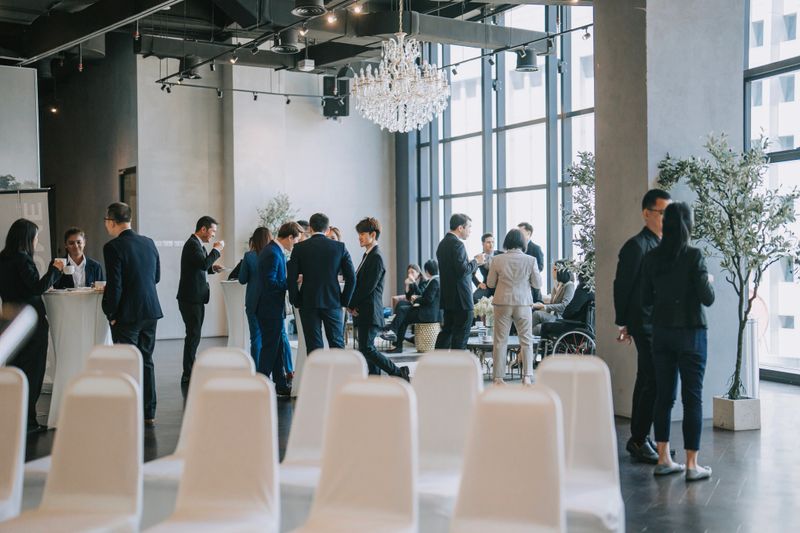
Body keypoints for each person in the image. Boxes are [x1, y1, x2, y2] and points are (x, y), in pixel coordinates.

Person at [642, 202, 715, 481]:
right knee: (692, 398)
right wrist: (706, 280)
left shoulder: (651, 258)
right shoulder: (694, 256)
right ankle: (692, 465)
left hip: (661, 333)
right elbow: (707, 298)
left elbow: (646, 300)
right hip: (692, 333)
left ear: (666, 224)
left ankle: (663, 459)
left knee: (664, 396)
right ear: (688, 225)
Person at [613, 188, 672, 463]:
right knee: (653, 380)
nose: (666, 218)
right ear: (646, 213)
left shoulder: (664, 244)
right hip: (644, 322)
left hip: (660, 322)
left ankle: (640, 438)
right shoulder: (636, 246)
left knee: (649, 380)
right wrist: (624, 322)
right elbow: (622, 287)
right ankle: (638, 439)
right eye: (662, 213)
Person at [0, 219, 64, 432]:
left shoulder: (2, 259)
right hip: (31, 323)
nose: (37, 241)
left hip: (10, 322)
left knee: (15, 371)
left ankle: (13, 417)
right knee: (32, 372)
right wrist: (54, 270)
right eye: (36, 237)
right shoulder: (22, 260)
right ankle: (28, 421)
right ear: (28, 238)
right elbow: (37, 288)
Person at [102, 202, 163, 425]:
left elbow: (115, 285)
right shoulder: (148, 243)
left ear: (111, 221)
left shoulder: (112, 247)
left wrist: (111, 312)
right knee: (146, 360)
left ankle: (127, 410)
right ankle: (149, 412)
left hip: (127, 313)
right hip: (151, 310)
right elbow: (156, 277)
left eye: (106, 221)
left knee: (126, 362)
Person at [347, 217, 409, 380]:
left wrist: (351, 303)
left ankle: (398, 372)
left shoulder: (376, 257)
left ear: (373, 234)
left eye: (362, 234)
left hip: (370, 310)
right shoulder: (368, 255)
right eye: (358, 234)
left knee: (367, 348)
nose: (359, 237)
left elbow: (368, 287)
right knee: (366, 349)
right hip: (365, 310)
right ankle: (374, 378)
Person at [287, 212, 356, 353]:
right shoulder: (339, 247)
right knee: (336, 344)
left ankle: (317, 375)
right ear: (327, 229)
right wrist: (344, 301)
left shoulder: (300, 248)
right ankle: (338, 375)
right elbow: (352, 278)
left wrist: (296, 300)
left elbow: (291, 278)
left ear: (310, 228)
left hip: (308, 302)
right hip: (333, 301)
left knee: (313, 347)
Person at [486, 229, 541, 386]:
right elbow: (537, 284)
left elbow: (490, 283)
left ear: (507, 242)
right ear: (522, 243)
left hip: (502, 302)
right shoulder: (531, 260)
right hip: (523, 303)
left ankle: (498, 378)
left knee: (500, 341)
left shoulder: (497, 260)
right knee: (526, 341)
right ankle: (527, 376)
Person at [255, 222, 303, 394]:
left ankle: (281, 385)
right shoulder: (273, 254)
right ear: (290, 237)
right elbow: (270, 283)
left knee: (276, 348)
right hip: (269, 309)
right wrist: (292, 282)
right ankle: (260, 384)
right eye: (296, 240)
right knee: (270, 348)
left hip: (271, 308)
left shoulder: (273, 251)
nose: (295, 245)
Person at [176, 216, 224, 384]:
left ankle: (191, 369)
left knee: (194, 334)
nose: (213, 236)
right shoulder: (192, 244)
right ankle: (188, 373)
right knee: (193, 334)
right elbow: (202, 264)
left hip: (195, 297)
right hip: (190, 298)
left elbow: (200, 267)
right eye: (212, 231)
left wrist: (212, 269)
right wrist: (217, 250)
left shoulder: (197, 245)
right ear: (203, 229)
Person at [435, 213, 484, 350]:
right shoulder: (458, 245)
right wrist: (476, 261)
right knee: (460, 340)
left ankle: (436, 366)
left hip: (448, 299)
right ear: (460, 228)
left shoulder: (442, 244)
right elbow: (462, 271)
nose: (470, 231)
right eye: (469, 227)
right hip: (461, 300)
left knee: (446, 334)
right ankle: (458, 369)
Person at [237, 227, 272, 367]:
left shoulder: (249, 256)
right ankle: (270, 369)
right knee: (271, 338)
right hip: (270, 302)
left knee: (255, 338)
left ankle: (257, 370)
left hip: (253, 302)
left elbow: (242, 279)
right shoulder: (274, 254)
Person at [388, 260, 440, 353]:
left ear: (426, 271)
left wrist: (415, 299)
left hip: (427, 314)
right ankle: (396, 340)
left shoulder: (433, 281)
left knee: (402, 312)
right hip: (426, 311)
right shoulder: (435, 280)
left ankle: (394, 335)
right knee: (402, 314)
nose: (410, 274)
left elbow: (428, 299)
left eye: (412, 272)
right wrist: (409, 287)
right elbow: (422, 297)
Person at [531, 261, 576, 335]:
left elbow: (565, 305)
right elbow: (552, 304)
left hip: (560, 318)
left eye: (555, 269)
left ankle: (525, 337)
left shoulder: (569, 285)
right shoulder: (557, 286)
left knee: (537, 321)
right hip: (552, 316)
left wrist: (544, 306)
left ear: (561, 271)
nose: (552, 272)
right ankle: (526, 337)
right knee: (536, 321)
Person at [517, 222, 545, 302]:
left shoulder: (536, 248)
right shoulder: (517, 248)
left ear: (528, 233)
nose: (518, 235)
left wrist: (529, 275)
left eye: (520, 233)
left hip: (531, 284)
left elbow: (540, 266)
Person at [472, 233, 500, 302]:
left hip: (500, 286)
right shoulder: (478, 257)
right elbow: (471, 273)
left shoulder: (501, 254)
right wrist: (478, 283)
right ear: (483, 243)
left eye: (493, 242)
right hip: (486, 286)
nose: (491, 245)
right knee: (474, 297)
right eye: (488, 242)